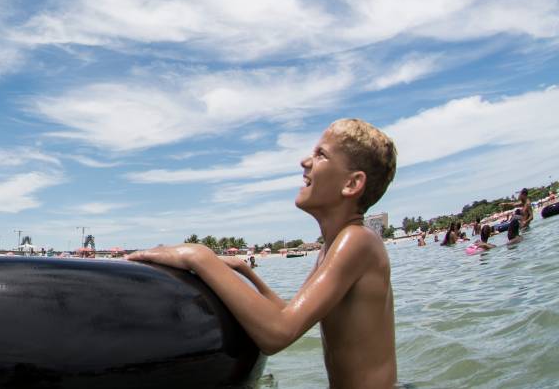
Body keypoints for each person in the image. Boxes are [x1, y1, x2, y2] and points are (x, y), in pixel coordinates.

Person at [129, 119, 398, 388]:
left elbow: (277, 335)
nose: (305, 161)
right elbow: (288, 314)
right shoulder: (333, 246)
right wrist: (246, 272)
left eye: (321, 154)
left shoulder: (357, 241)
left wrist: (199, 257)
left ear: (352, 183)